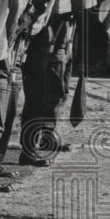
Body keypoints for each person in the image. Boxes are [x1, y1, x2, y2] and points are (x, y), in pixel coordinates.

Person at [20, 14, 76, 161]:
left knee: (59, 95)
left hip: (63, 43)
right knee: (37, 99)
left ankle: (47, 137)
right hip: (44, 45)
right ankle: (28, 149)